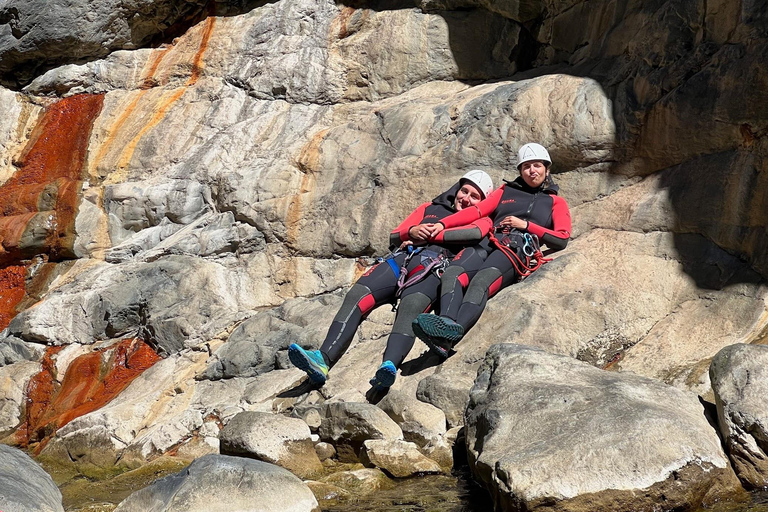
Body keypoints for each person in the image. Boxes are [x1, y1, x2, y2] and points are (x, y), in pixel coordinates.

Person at [288, 170, 495, 390]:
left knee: (411, 306)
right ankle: (322, 360)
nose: (466, 198)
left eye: (475, 196)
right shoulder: (429, 208)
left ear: (483, 202)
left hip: (433, 268)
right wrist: (412, 231)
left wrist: (430, 234)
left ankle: (388, 367)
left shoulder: (483, 219)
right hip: (402, 261)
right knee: (357, 295)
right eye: (464, 191)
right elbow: (396, 235)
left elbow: (473, 234)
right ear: (457, 189)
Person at [412, 143, 572, 357]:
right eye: (526, 167)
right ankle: (445, 325)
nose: (532, 170)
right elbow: (476, 212)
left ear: (547, 169)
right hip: (487, 241)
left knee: (480, 282)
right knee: (453, 273)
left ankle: (448, 338)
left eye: (537, 165)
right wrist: (443, 224)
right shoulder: (506, 191)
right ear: (520, 171)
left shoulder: (555, 202)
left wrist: (526, 226)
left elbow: (561, 238)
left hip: (516, 247)